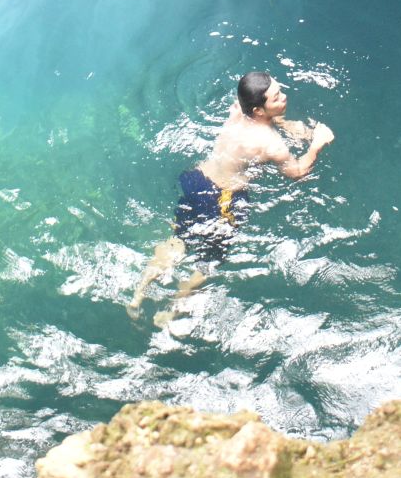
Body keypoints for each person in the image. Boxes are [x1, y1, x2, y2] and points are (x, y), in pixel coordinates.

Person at [127, 71, 335, 328]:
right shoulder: (272, 145)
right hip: (222, 200)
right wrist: (317, 144)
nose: (284, 97)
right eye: (277, 97)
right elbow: (297, 173)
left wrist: (282, 122)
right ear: (259, 110)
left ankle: (137, 295)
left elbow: (263, 120)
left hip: (197, 178)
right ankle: (169, 312)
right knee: (209, 261)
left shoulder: (238, 110)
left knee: (178, 239)